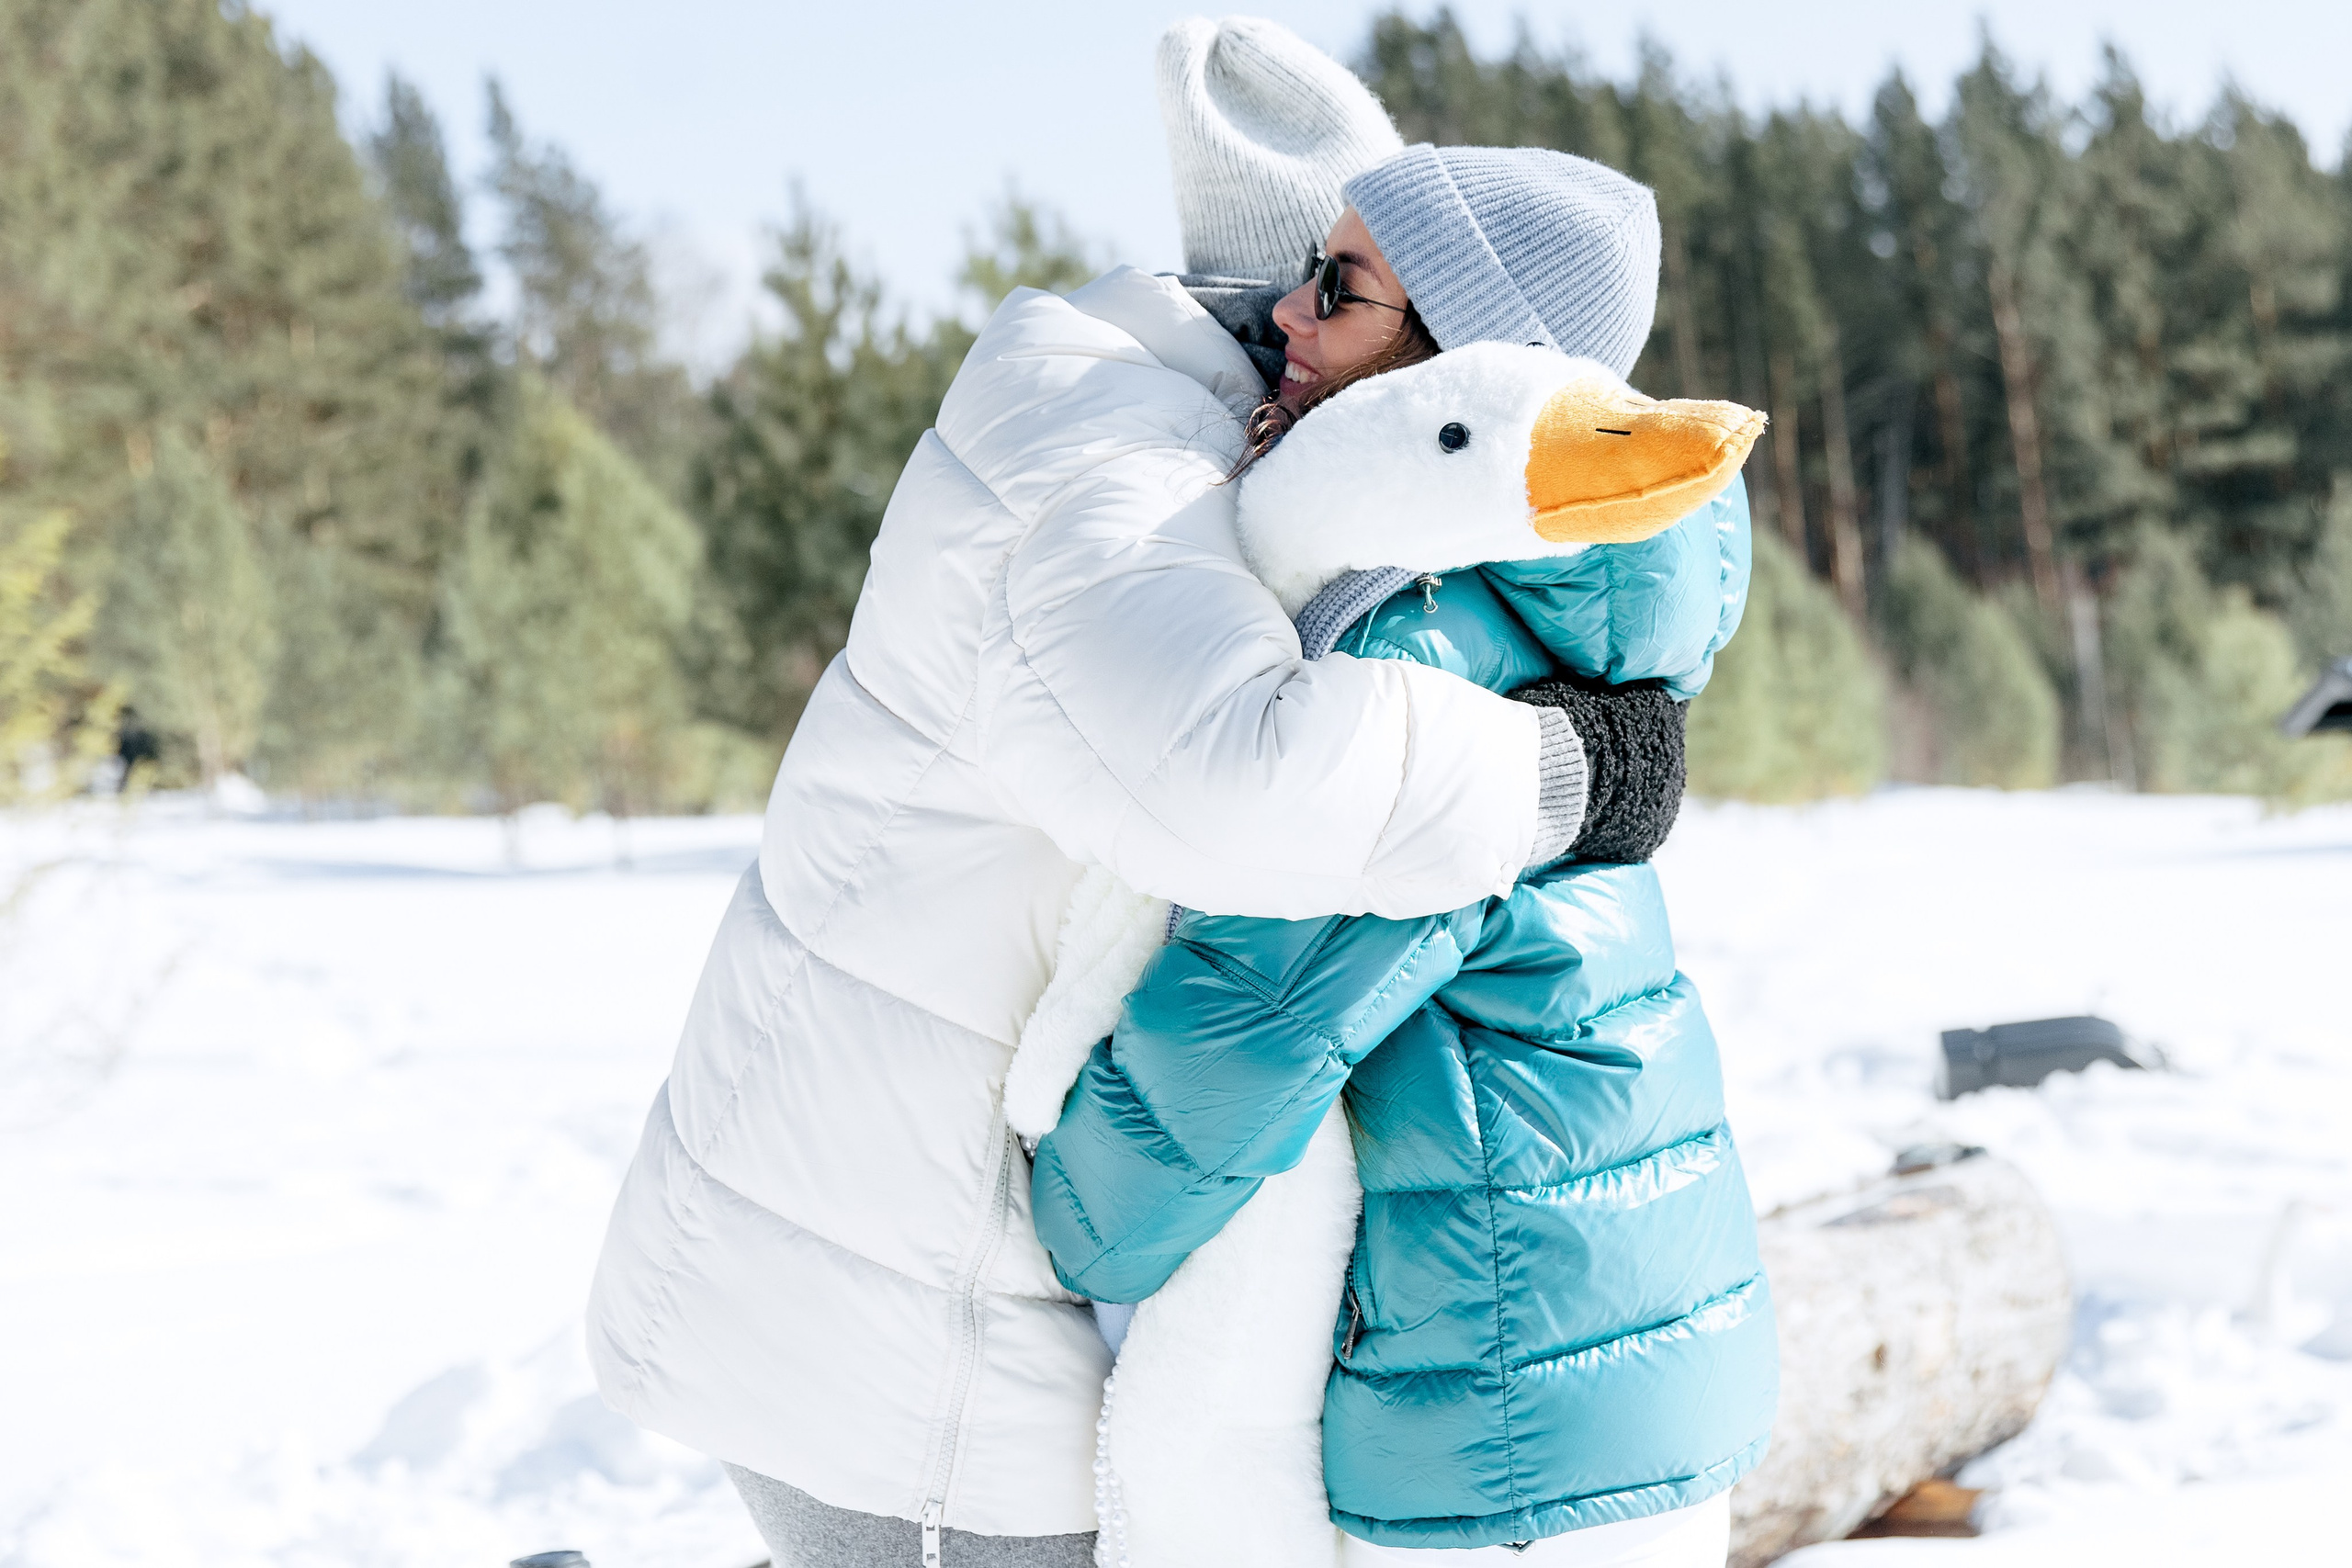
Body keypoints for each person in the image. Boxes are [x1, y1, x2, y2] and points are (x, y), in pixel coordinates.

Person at [586, 18, 1695, 1567]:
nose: (1295, 313)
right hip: (896, 1305)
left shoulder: (1197, 431)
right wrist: (1571, 770)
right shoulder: (1125, 457)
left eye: (1341, 284)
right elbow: (1224, 782)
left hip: (888, 1247)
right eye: (1314, 270)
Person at [1029, 144, 1777, 1568]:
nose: (1286, 321)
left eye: (1343, 288)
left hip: (1502, 1423)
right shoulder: (1545, 605)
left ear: (1459, 366)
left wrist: (1061, 1222)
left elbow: (1261, 1012)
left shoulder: (1422, 644)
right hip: (1610, 1367)